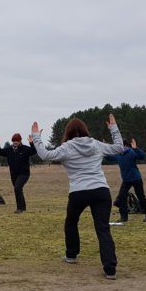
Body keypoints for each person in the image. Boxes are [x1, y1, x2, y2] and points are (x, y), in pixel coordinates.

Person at [31, 114, 124, 280]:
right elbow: (119, 148)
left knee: (71, 222)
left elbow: (45, 155)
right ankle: (110, 269)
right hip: (101, 190)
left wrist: (37, 137)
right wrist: (114, 129)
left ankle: (71, 254)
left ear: (68, 132)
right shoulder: (95, 144)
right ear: (84, 130)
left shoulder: (66, 147)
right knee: (103, 228)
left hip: (78, 191)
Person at [105, 137, 146, 223]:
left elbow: (142, 157)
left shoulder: (131, 152)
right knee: (122, 197)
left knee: (141, 197)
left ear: (125, 145)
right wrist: (105, 148)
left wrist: (136, 148)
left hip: (136, 178)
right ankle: (124, 218)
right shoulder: (118, 154)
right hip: (126, 180)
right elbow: (109, 158)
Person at [0, 132, 37, 213]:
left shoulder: (25, 149)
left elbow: (34, 151)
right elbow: (0, 152)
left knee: (17, 188)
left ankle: (19, 208)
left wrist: (31, 143)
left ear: (20, 141)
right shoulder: (9, 150)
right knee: (18, 190)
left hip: (24, 173)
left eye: (17, 140)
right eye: (14, 141)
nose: (15, 142)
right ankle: (23, 207)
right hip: (13, 174)